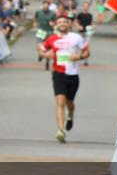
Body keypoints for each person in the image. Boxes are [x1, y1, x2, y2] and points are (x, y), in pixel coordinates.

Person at [37, 15, 89, 143]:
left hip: (73, 75)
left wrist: (78, 57)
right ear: (56, 25)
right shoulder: (51, 39)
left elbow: (87, 52)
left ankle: (70, 116)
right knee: (60, 102)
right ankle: (61, 130)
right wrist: (45, 54)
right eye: (59, 22)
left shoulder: (76, 38)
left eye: (64, 22)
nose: (62, 24)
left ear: (69, 24)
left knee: (69, 103)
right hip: (58, 74)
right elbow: (40, 49)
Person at [34, 0, 56, 69]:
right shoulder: (38, 12)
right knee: (39, 45)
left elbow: (55, 22)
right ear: (42, 5)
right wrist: (35, 22)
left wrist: (53, 24)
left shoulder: (53, 13)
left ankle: (47, 62)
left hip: (49, 31)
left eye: (47, 6)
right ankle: (41, 55)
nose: (45, 7)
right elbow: (35, 18)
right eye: (44, 5)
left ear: (49, 6)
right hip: (41, 31)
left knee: (48, 48)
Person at [75, 0, 94, 65]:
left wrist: (93, 26)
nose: (86, 7)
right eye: (85, 6)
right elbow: (76, 22)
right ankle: (77, 58)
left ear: (88, 7)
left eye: (87, 6)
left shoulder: (90, 15)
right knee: (79, 45)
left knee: (86, 46)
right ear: (83, 7)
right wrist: (78, 26)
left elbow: (91, 23)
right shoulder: (80, 14)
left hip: (88, 32)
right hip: (81, 32)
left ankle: (86, 60)